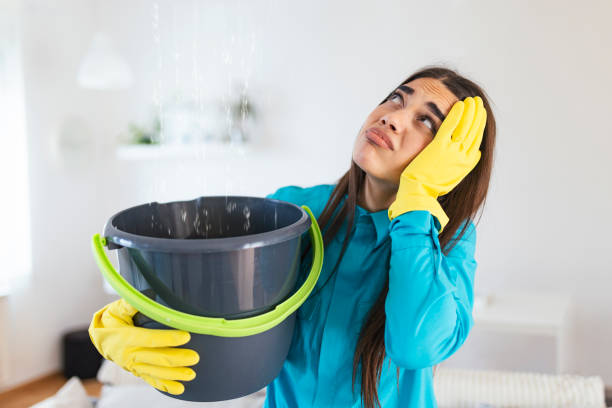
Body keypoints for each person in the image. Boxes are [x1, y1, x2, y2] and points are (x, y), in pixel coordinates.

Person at [89, 65, 496, 407]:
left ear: (452, 159)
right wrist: (121, 321)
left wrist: (418, 201)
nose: (393, 117)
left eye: (426, 121)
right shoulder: (296, 214)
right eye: (395, 98)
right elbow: (206, 301)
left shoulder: (449, 242)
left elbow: (414, 344)